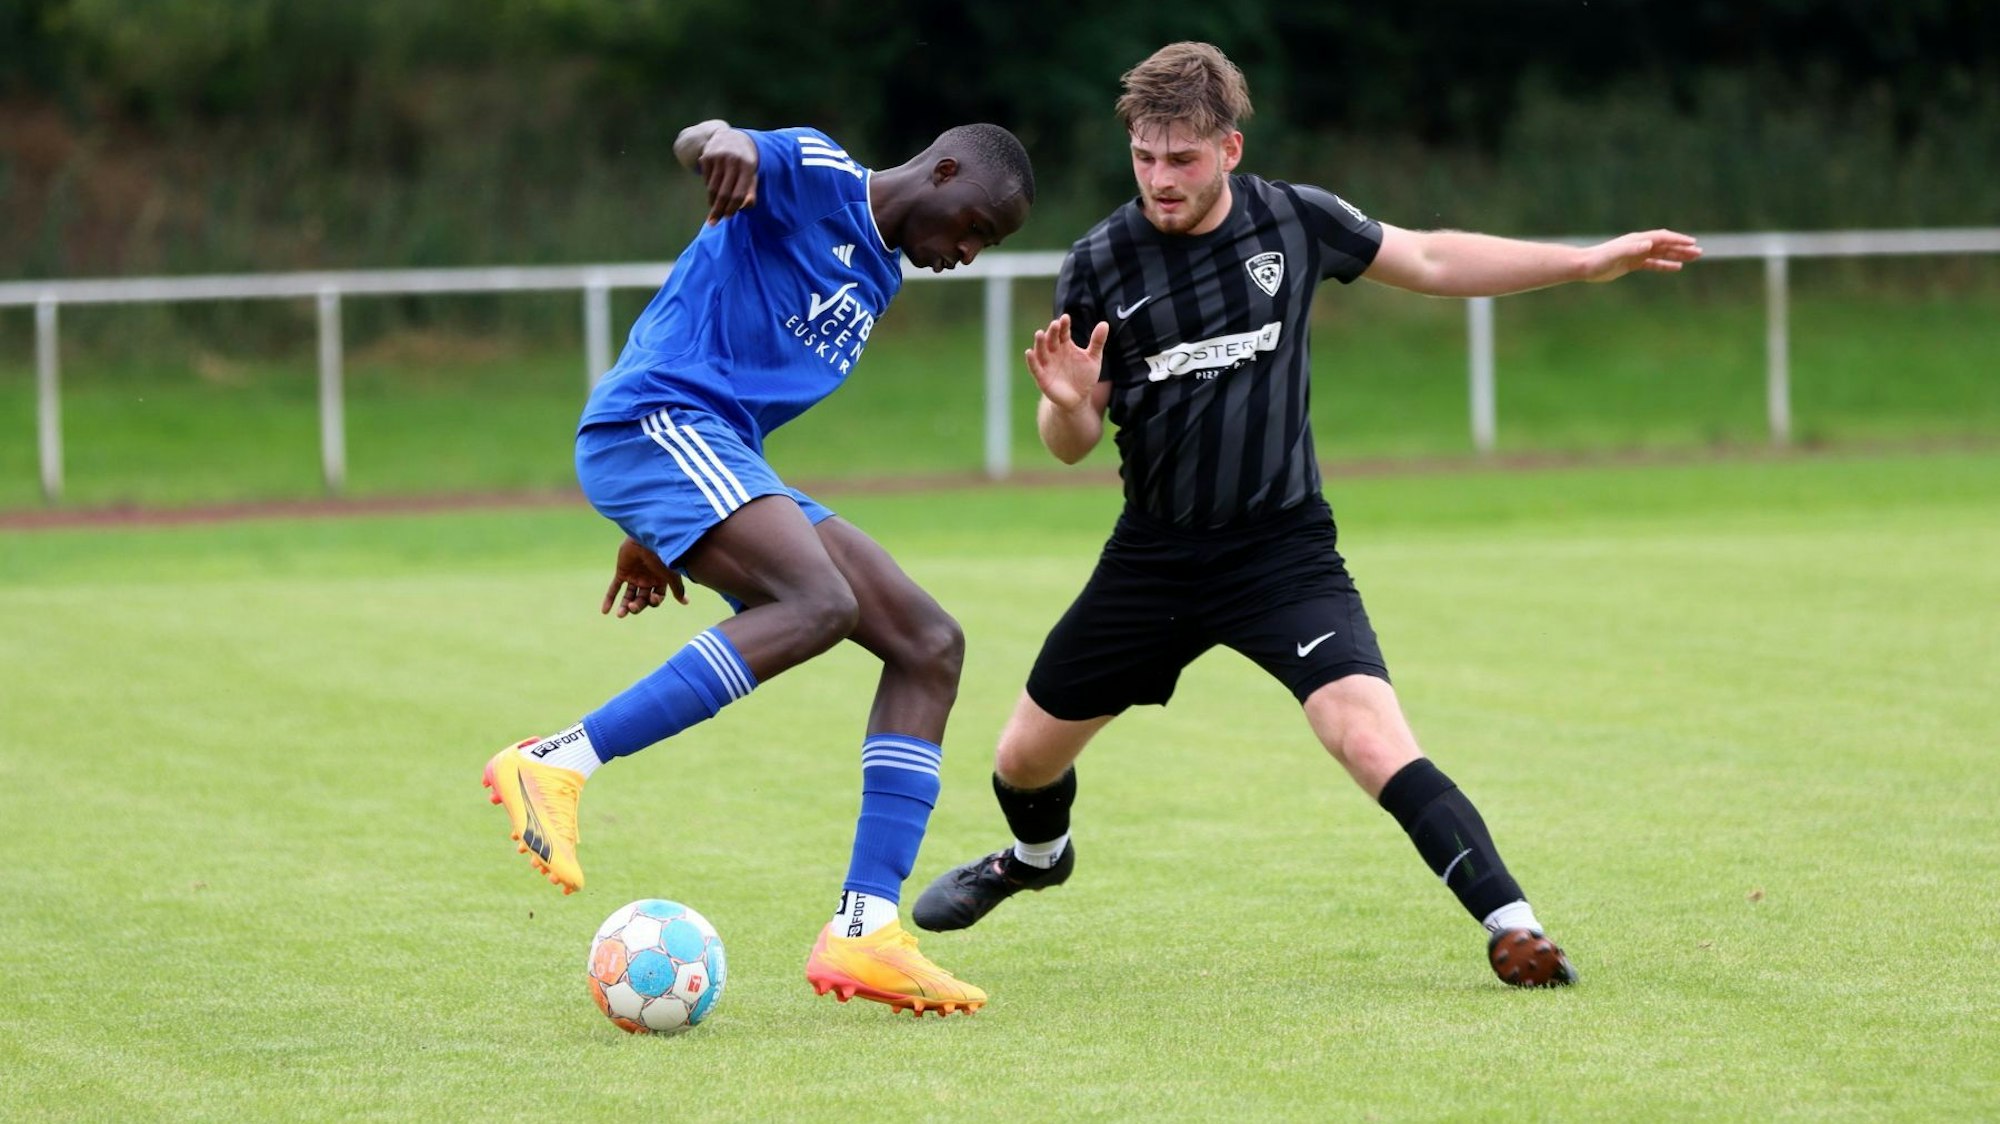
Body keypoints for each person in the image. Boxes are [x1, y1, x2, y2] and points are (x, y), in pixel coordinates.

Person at [911, 42, 1701, 988]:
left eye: (1184, 159)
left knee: (1368, 737)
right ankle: (1037, 859)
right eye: (1146, 158)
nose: (1161, 180)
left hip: (1282, 549)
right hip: (1154, 557)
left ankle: (1513, 923)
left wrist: (1582, 265)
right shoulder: (1099, 262)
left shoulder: (1295, 221)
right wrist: (1073, 402)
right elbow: (1068, 441)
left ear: (1229, 150)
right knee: (1021, 765)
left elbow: (1435, 256)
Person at [482, 117, 1035, 1017]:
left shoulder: (880, 275)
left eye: (987, 246)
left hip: (717, 454)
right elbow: (706, 140)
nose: (970, 252)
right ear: (942, 171)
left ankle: (865, 930)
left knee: (929, 643)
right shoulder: (818, 174)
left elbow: (750, 386)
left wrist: (666, 526)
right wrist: (724, 144)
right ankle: (556, 761)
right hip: (656, 421)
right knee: (819, 600)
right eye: (976, 226)